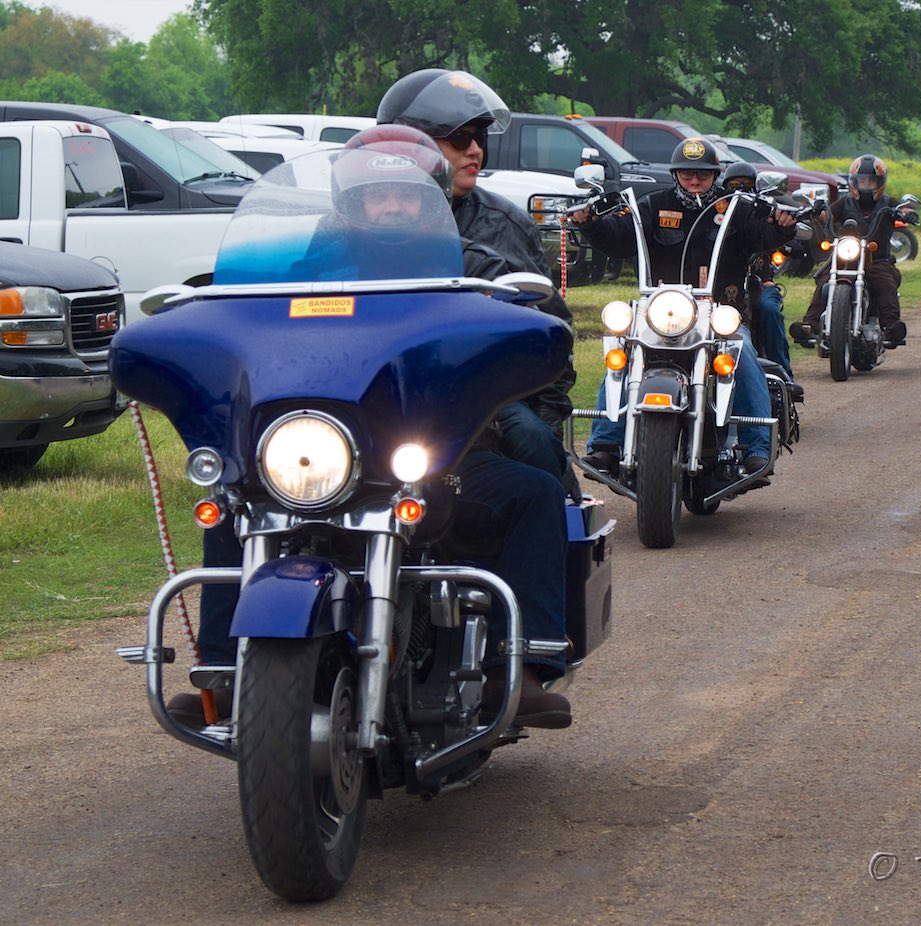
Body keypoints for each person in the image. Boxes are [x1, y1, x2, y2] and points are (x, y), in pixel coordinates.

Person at [173, 133, 575, 731]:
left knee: (535, 493)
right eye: (376, 195)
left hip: (442, 457)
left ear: (432, 200)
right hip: (324, 453)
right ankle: (226, 674)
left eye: (405, 195)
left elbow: (536, 323)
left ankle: (521, 669)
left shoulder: (473, 267)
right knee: (235, 500)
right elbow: (247, 320)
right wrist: (202, 317)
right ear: (350, 203)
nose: (391, 207)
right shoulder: (309, 269)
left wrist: (518, 323)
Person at [377, 69, 577, 489]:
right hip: (378, 384)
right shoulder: (355, 217)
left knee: (532, 440)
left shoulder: (506, 224)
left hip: (482, 395)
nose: (475, 150)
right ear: (407, 145)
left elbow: (552, 329)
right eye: (459, 138)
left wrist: (547, 421)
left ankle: (556, 512)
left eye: (480, 138)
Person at [570, 137, 796, 477]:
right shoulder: (653, 206)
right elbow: (618, 236)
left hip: (719, 314)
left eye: (702, 175)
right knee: (622, 352)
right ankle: (605, 445)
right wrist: (590, 223)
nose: (694, 181)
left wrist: (781, 224)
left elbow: (761, 233)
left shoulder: (735, 207)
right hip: (659, 315)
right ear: (676, 174)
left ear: (715, 175)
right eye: (687, 174)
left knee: (743, 351)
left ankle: (757, 449)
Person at [791, 154, 907, 349]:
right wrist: (816, 210)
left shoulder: (888, 204)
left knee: (885, 282)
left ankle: (891, 328)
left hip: (877, 259)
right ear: (854, 181)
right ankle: (810, 326)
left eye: (871, 181)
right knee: (825, 279)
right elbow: (827, 215)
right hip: (845, 259)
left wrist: (906, 213)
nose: (866, 185)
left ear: (880, 182)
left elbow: (903, 212)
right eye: (862, 180)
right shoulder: (845, 203)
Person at [723, 161, 797, 380]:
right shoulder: (717, 217)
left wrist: (786, 229)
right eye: (734, 185)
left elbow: (785, 233)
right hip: (727, 286)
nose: (740, 190)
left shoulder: (765, 212)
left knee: (768, 309)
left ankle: (784, 375)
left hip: (762, 284)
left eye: (746, 184)